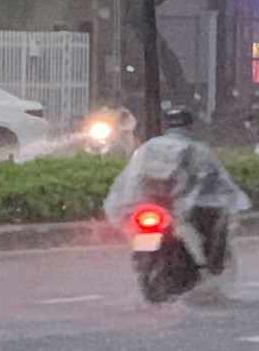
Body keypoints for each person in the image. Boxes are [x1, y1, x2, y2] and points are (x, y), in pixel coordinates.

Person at [103, 107, 248, 273]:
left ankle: (202, 264)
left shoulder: (149, 147)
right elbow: (216, 177)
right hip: (182, 207)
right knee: (215, 226)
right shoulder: (199, 149)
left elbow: (131, 177)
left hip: (151, 203)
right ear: (189, 126)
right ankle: (210, 266)